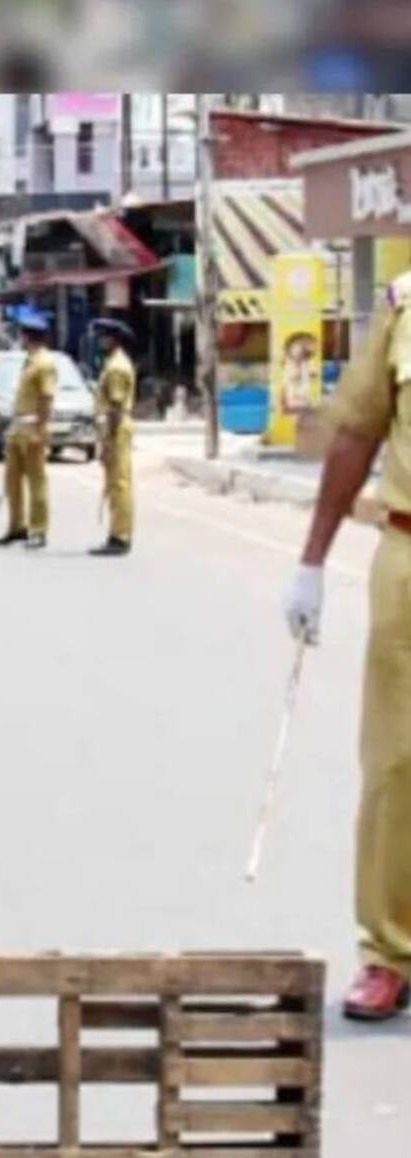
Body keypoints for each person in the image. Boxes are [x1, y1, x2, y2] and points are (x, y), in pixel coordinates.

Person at [283, 268, 411, 1023]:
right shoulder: (404, 306)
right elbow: (359, 432)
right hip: (408, 555)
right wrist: (311, 561)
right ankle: (389, 953)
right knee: (397, 763)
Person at [0, 306, 55, 549]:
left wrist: (40, 430)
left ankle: (39, 529)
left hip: (32, 427)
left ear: (28, 336)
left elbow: (46, 398)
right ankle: (16, 526)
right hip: (19, 426)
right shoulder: (29, 361)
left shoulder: (44, 363)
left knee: (36, 480)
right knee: (11, 479)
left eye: (22, 334)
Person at [91, 318, 136, 557]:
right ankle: (117, 532)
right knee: (117, 482)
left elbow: (116, 406)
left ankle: (120, 536)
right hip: (115, 426)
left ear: (114, 339)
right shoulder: (113, 363)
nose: (99, 341)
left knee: (119, 483)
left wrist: (108, 440)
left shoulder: (117, 367)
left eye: (103, 337)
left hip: (117, 427)